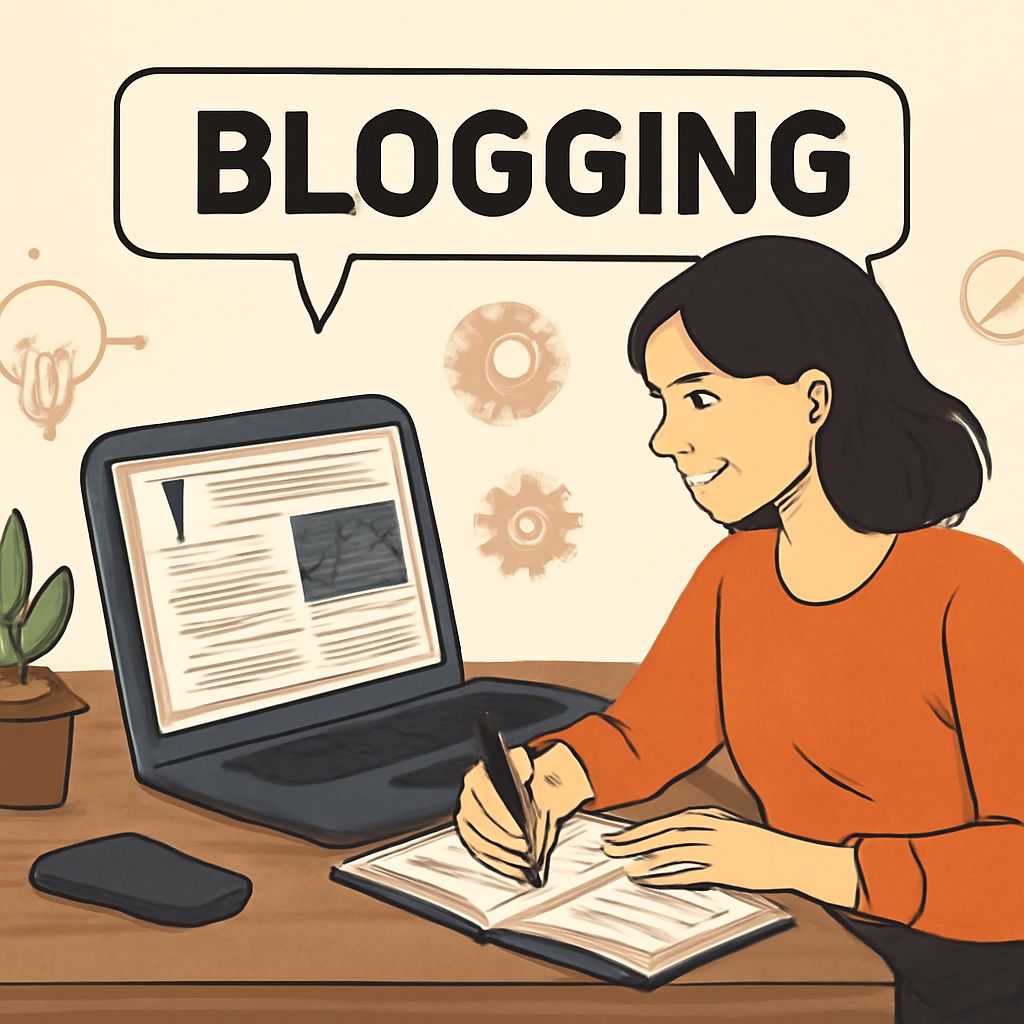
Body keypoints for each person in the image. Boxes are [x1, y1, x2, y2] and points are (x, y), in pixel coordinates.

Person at [453, 235, 1024, 1023]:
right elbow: (645, 735)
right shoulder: (739, 574)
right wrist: (546, 782)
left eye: (700, 397)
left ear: (814, 398)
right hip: (818, 933)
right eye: (662, 402)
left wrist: (797, 862)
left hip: (969, 972)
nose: (665, 437)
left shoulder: (977, 586)